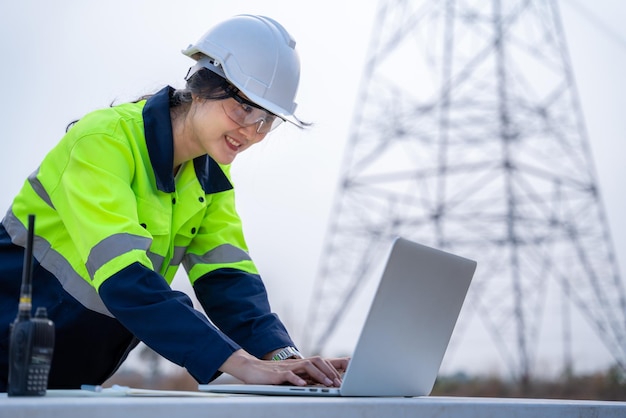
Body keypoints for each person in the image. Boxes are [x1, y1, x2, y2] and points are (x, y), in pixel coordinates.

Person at [0, 14, 348, 391]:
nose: (251, 131)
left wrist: (287, 361)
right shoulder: (101, 142)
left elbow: (230, 283)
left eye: (267, 120)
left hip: (65, 381)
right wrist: (238, 363)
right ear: (201, 86)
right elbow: (125, 280)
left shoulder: (210, 178)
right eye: (244, 108)